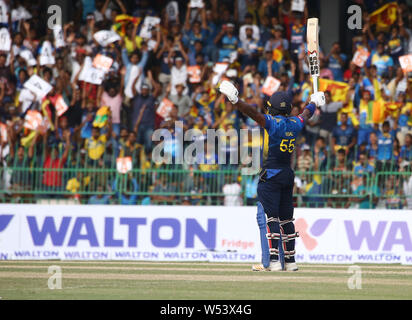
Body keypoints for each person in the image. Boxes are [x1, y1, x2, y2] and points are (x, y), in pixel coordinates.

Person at [218, 80, 325, 272]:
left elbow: (253, 113)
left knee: (271, 219)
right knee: (286, 220)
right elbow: (306, 114)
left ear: (273, 109)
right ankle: (291, 262)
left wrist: (236, 100)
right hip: (287, 175)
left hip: (271, 174)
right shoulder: (295, 123)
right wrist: (314, 103)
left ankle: (274, 261)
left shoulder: (272, 123)